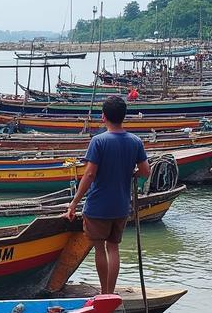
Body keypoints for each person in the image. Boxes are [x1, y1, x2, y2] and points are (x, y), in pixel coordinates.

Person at [65, 96, 151, 295]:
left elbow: (89, 174)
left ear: (103, 117)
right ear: (123, 117)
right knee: (114, 248)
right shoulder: (135, 141)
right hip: (121, 206)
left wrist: (74, 203)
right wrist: (131, 173)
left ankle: (104, 294)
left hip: (98, 206)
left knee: (99, 249)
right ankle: (110, 293)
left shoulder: (98, 141)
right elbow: (145, 171)